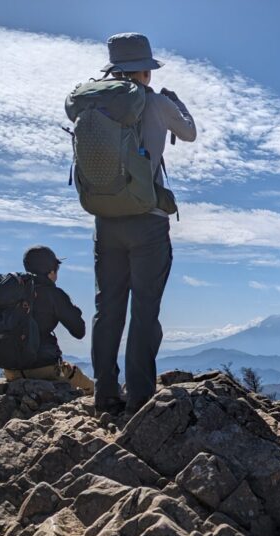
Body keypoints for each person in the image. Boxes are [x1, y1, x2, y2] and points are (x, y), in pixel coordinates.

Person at [91, 32, 197, 415]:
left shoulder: (96, 105)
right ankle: (138, 397)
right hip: (148, 221)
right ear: (146, 72)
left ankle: (104, 393)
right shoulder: (155, 103)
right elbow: (190, 132)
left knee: (109, 308)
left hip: (106, 221)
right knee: (144, 310)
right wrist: (175, 102)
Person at [2, 246, 94, 395]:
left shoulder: (12, 293)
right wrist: (73, 309)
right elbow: (79, 331)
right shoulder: (54, 294)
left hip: (10, 369)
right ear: (51, 271)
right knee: (86, 384)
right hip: (44, 368)